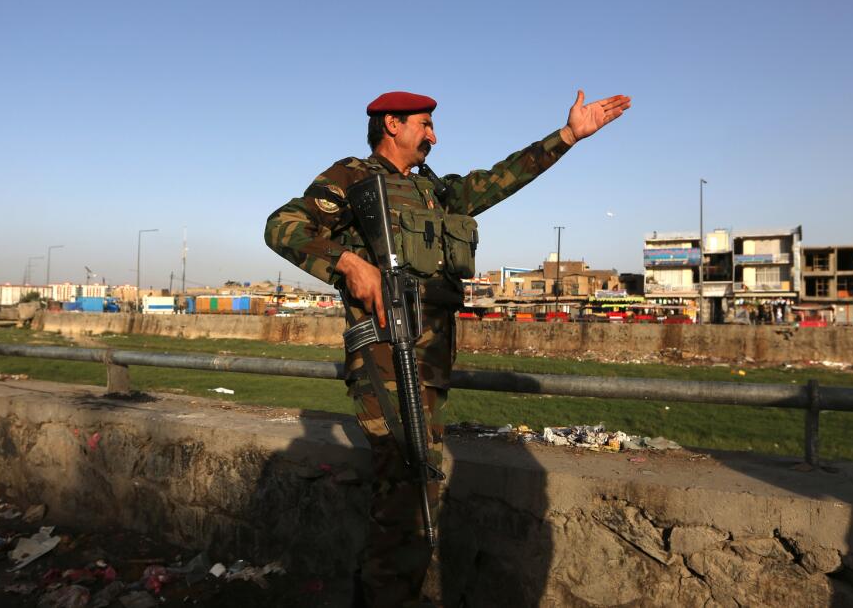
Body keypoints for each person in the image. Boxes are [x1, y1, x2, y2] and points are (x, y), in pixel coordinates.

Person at [264, 89, 629, 606]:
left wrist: (567, 136)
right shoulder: (351, 178)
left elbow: (499, 179)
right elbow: (282, 226)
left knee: (416, 491)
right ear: (391, 124)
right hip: (386, 358)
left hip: (430, 363)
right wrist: (350, 264)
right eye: (424, 124)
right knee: (404, 494)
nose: (433, 135)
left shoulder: (434, 190)